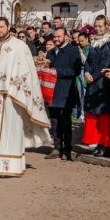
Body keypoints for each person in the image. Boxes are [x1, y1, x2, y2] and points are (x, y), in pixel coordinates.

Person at [0, 18, 50, 177]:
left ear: (8, 27)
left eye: (1, 27)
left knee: (10, 131)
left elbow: (27, 71)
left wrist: (16, 90)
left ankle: (10, 167)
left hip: (11, 96)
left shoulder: (19, 46)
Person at [82, 16, 110, 157]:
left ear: (107, 26)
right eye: (96, 26)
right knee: (94, 113)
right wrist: (86, 72)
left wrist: (94, 76)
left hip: (103, 82)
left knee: (103, 114)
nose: (98, 29)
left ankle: (107, 144)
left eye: (100, 26)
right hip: (92, 82)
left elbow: (107, 62)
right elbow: (88, 61)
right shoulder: (94, 42)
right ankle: (98, 143)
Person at [45, 27, 82, 161]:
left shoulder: (72, 51)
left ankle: (67, 148)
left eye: (59, 36)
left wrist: (56, 72)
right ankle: (56, 147)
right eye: (55, 37)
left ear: (65, 37)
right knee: (54, 121)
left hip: (66, 91)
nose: (56, 39)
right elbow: (46, 70)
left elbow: (76, 71)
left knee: (65, 121)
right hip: (52, 91)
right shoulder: (50, 53)